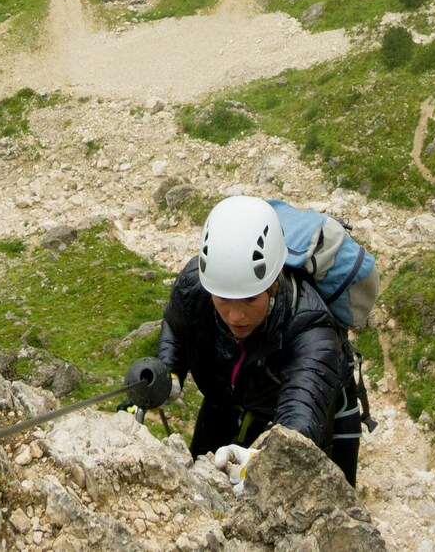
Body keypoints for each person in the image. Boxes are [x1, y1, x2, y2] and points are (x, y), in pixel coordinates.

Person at [124, 196, 362, 483]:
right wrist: (168, 371)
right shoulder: (195, 285)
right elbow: (177, 326)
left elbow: (301, 417)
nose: (235, 315)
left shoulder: (311, 327)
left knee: (331, 503)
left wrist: (262, 459)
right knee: (201, 481)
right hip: (228, 397)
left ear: (273, 284)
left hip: (323, 411)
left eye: (250, 299)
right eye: (223, 299)